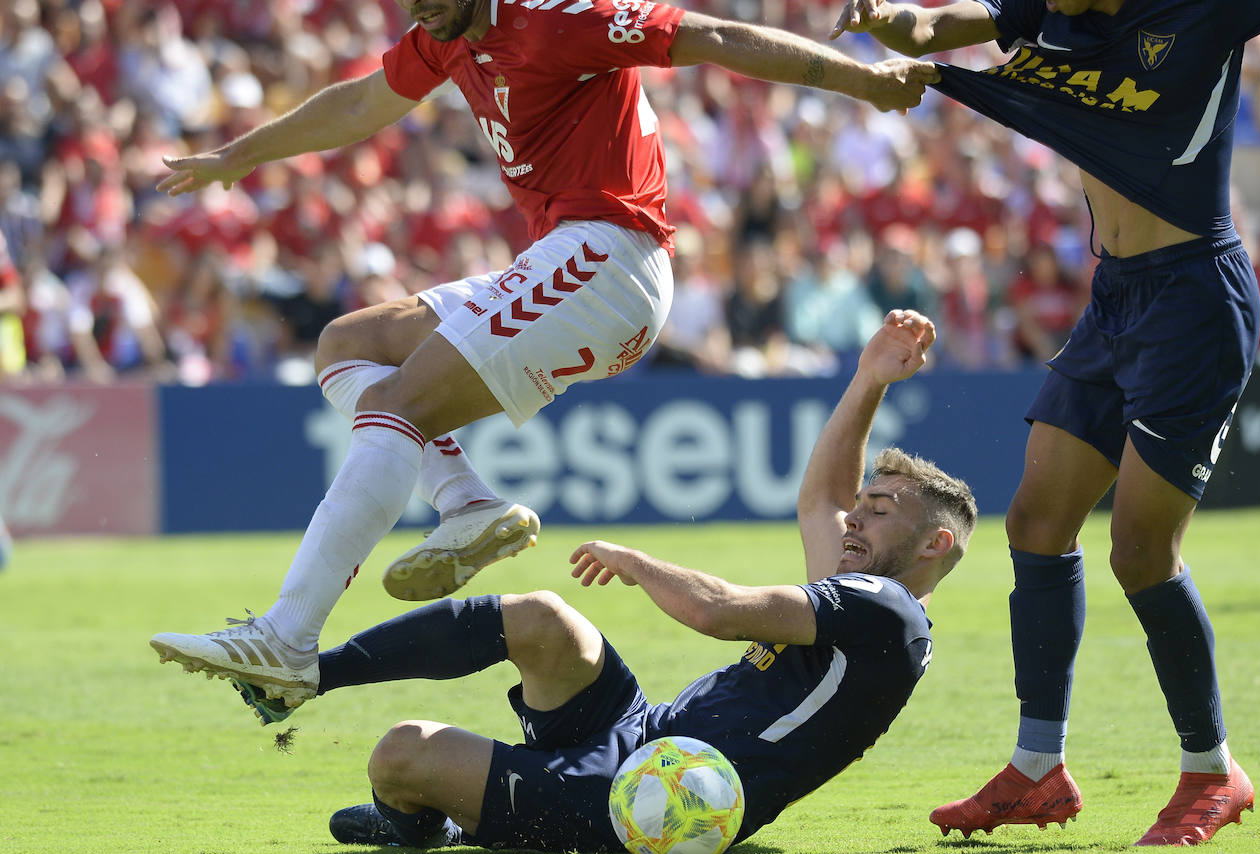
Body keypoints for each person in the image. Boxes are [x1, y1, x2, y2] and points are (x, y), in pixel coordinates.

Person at [149, 0, 935, 709]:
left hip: (609, 259)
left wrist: (864, 83)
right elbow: (362, 101)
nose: (418, 7)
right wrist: (241, 156)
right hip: (570, 257)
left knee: (397, 408)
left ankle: (287, 637)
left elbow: (717, 35)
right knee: (348, 346)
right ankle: (468, 504)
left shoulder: (563, 17)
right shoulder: (445, 31)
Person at [832, 0, 1260, 847]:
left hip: (1197, 299)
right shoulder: (1043, 11)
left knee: (1140, 552)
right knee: (1037, 524)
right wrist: (883, 18)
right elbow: (931, 29)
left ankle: (1211, 769)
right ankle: (1038, 767)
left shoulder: (1202, 11)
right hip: (1116, 295)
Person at [237, 310, 976, 854]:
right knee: (543, 618)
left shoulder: (889, 612)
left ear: (934, 545)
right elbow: (821, 501)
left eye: (878, 513)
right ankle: (308, 674)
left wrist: (638, 561)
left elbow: (719, 612)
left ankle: (418, 818)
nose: (854, 522)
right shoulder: (863, 607)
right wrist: (868, 378)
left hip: (646, 803)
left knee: (400, 753)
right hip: (640, 736)